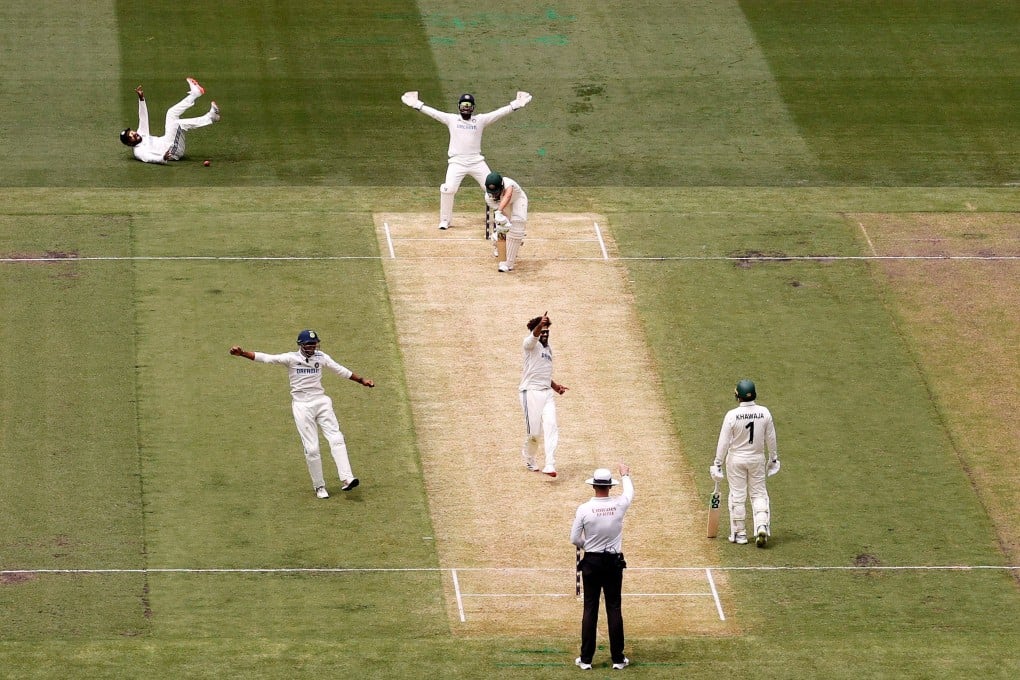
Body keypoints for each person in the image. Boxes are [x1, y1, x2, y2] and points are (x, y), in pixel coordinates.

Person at [228, 330, 374, 499]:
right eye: (309, 344)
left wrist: (362, 380)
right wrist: (242, 353)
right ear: (301, 345)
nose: (312, 347)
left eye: (314, 344)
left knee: (337, 438)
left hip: (321, 402)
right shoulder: (291, 358)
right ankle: (319, 486)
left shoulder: (321, 357)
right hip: (302, 406)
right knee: (312, 448)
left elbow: (340, 370)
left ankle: (347, 479)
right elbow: (267, 358)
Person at [400, 89, 532, 229]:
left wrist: (515, 104)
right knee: (448, 189)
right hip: (457, 161)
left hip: (476, 161)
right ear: (459, 106)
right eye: (463, 105)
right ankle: (445, 220)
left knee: (496, 186)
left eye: (468, 105)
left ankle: (505, 217)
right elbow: (434, 113)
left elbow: (498, 113)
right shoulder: (451, 119)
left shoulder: (480, 120)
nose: (466, 108)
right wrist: (417, 104)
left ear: (473, 107)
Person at [571, 464, 634, 671]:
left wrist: (587, 545)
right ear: (609, 487)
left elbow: (574, 539)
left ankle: (586, 659)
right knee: (614, 607)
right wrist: (625, 475)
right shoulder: (618, 505)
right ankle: (618, 658)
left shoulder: (584, 509)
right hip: (613, 563)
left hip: (592, 562)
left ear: (593, 486)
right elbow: (630, 493)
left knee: (590, 608)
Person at [710, 379, 780, 547]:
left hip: (736, 460)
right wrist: (773, 458)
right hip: (756, 458)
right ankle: (761, 525)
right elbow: (771, 438)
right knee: (759, 494)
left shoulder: (732, 415)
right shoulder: (764, 413)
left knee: (737, 495)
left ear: (738, 396)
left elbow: (724, 441)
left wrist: (717, 463)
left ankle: (740, 534)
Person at [120, 77, 220, 163]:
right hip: (172, 151)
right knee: (177, 124)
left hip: (168, 140)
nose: (134, 134)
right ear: (129, 143)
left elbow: (143, 118)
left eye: (131, 132)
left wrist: (141, 99)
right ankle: (210, 117)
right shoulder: (139, 151)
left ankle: (195, 94)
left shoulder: (141, 133)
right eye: (131, 136)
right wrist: (162, 158)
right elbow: (149, 158)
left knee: (171, 112)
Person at [519, 312, 567, 477]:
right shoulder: (529, 344)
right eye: (542, 331)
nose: (545, 334)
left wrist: (555, 387)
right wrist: (539, 325)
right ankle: (529, 457)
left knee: (551, 426)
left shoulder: (549, 349)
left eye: (547, 331)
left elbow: (543, 372)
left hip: (546, 394)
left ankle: (550, 464)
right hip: (530, 392)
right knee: (534, 434)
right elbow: (534, 335)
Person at [484, 171, 528, 273]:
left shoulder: (509, 184)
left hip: (518, 200)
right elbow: (505, 215)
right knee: (504, 226)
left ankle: (508, 263)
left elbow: (508, 196)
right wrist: (504, 222)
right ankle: (500, 245)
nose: (494, 195)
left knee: (517, 224)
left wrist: (498, 212)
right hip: (504, 206)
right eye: (492, 192)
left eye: (496, 192)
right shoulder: (488, 198)